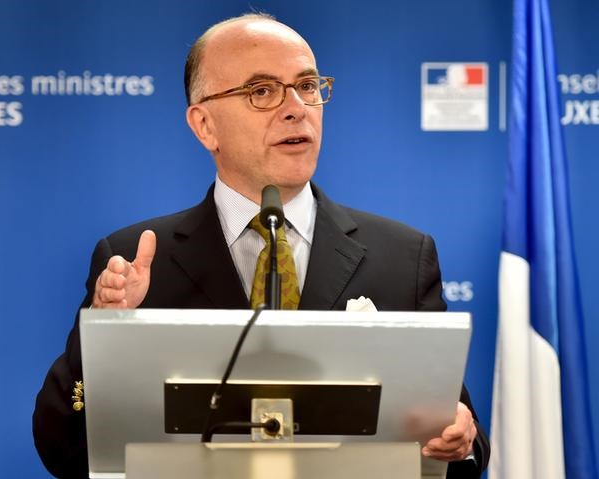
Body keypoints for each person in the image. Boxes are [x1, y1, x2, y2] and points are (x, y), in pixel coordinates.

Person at [33, 13, 490, 478]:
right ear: (204, 124)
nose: (296, 108)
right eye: (262, 91)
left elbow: (462, 445)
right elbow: (62, 448)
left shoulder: (402, 256)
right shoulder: (134, 257)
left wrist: (459, 440)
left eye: (308, 86)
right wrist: (105, 335)